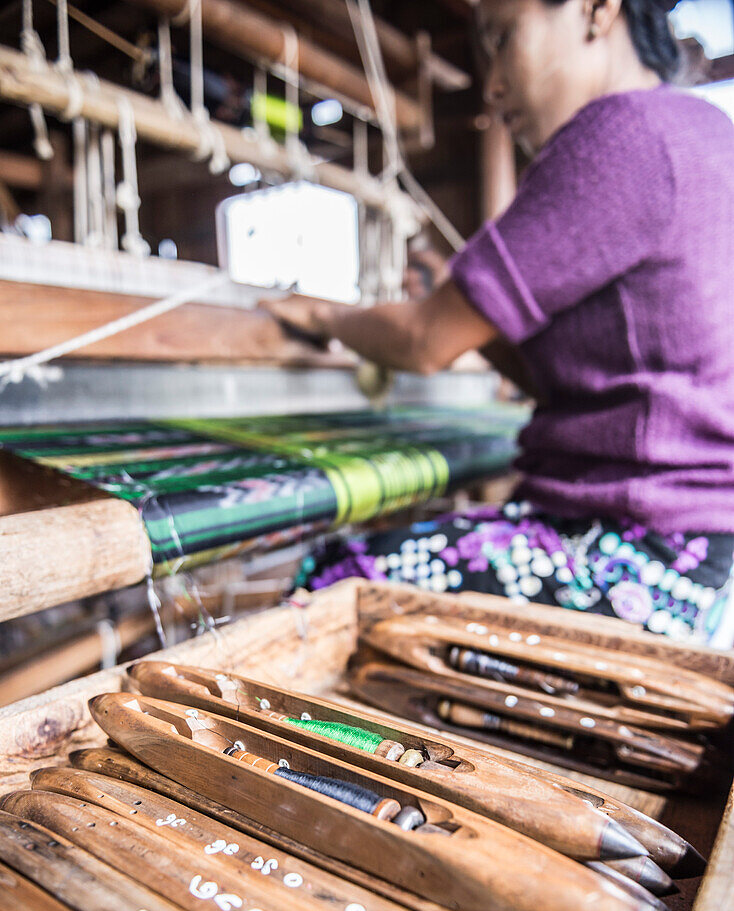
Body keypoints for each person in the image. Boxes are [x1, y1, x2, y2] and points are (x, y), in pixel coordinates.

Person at [263, 0, 734, 644]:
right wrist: (461, 301)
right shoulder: (704, 131)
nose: (492, 85)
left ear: (597, 11)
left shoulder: (620, 133)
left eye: (504, 38)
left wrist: (320, 313)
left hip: (630, 556)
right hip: (700, 555)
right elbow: (592, 374)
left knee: (338, 578)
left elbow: (424, 342)